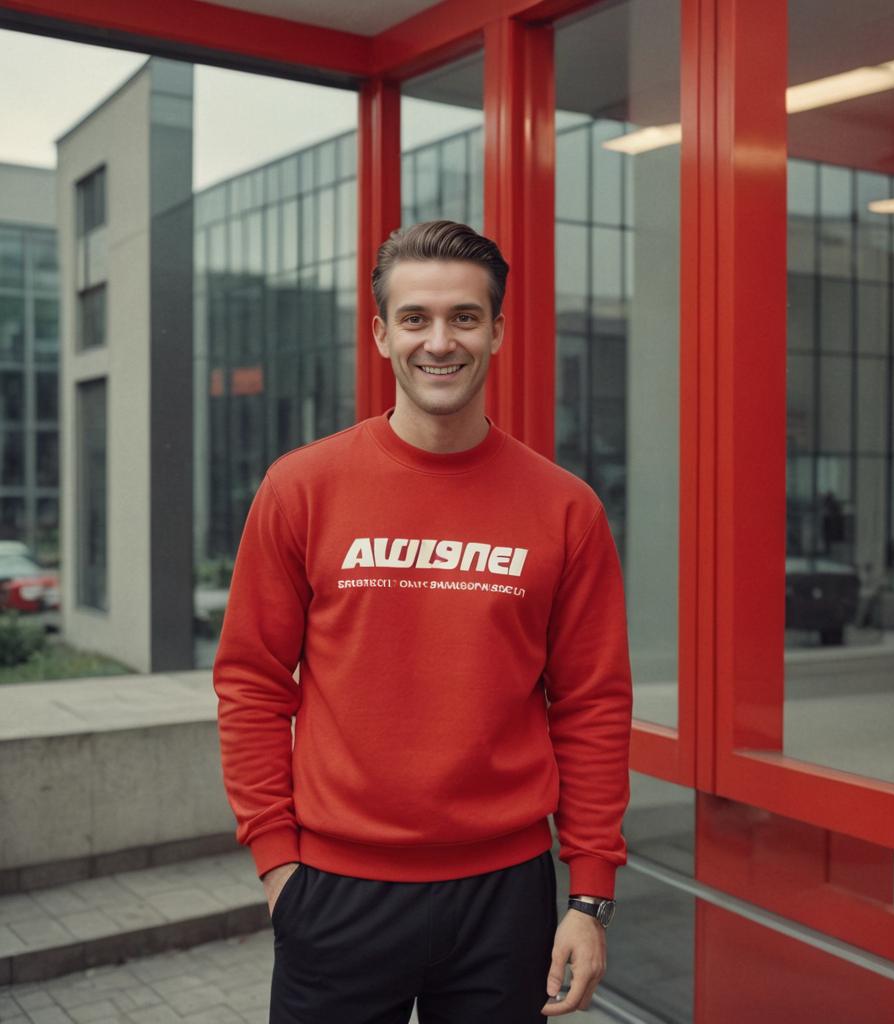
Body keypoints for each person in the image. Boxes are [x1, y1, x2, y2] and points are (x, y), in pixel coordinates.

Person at [213, 219, 634, 1023]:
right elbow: (252, 683)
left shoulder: (565, 508)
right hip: (336, 891)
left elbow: (593, 706)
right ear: (380, 333)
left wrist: (590, 895)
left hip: (504, 898)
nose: (440, 342)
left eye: (464, 318)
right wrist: (278, 868)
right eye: (416, 318)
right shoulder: (302, 488)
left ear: (497, 330)